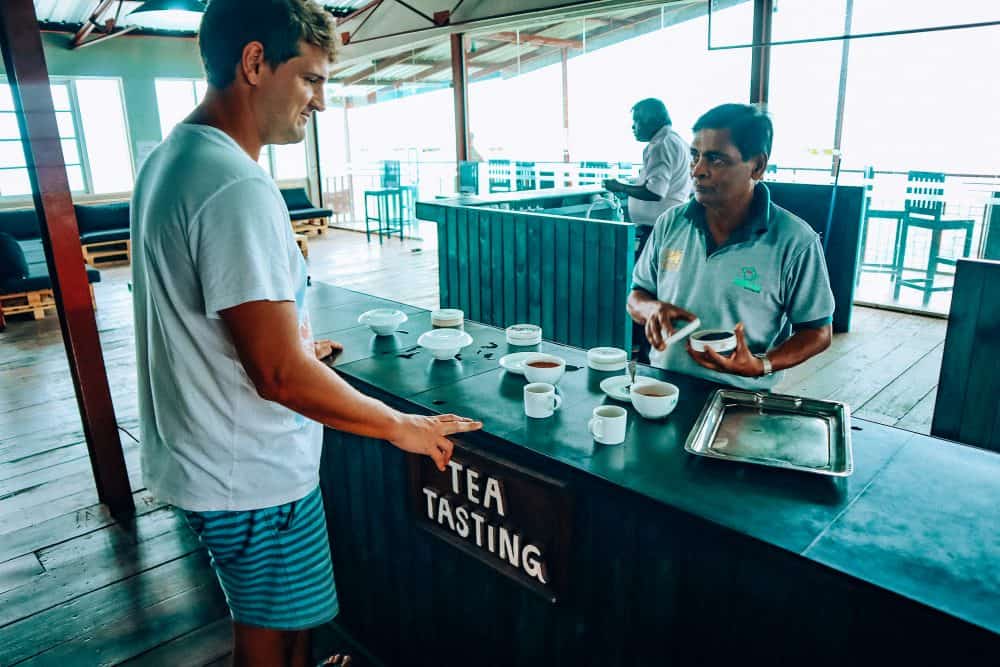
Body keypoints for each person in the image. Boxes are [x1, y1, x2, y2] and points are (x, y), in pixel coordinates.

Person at [130, 2, 482, 666]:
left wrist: (289, 346)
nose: (320, 100)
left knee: (289, 629)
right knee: (269, 644)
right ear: (254, 62)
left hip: (209, 454)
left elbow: (216, 321)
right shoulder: (235, 185)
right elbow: (277, 375)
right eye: (311, 79)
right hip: (249, 474)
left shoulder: (171, 157)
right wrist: (399, 425)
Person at [627, 103, 834, 391]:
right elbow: (637, 294)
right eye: (695, 156)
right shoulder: (670, 223)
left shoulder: (794, 241)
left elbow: (818, 331)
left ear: (757, 166)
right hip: (664, 387)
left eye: (716, 160)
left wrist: (762, 364)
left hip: (740, 395)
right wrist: (652, 309)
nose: (698, 170)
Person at [603, 98, 692, 254]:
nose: (633, 126)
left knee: (646, 269)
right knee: (664, 268)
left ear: (651, 121)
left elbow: (655, 192)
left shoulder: (660, 145)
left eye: (636, 120)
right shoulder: (677, 141)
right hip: (671, 226)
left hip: (658, 230)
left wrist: (619, 187)